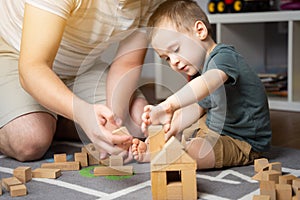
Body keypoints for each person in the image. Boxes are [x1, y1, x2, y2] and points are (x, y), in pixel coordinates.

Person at [0, 0, 165, 162]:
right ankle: (52, 117)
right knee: (30, 140)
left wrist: (115, 123)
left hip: (81, 65)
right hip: (17, 52)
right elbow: (33, 68)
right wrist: (82, 112)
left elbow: (127, 63)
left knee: (137, 122)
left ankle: (57, 117)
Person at [132, 0, 272, 169]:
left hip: (243, 140)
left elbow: (207, 83)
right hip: (215, 127)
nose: (174, 62)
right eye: (167, 58)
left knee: (195, 151)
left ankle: (165, 154)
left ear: (200, 31)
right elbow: (198, 107)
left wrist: (168, 105)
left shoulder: (223, 56)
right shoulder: (199, 70)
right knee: (182, 120)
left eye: (175, 50)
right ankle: (161, 146)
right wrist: (170, 129)